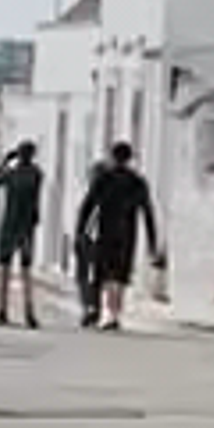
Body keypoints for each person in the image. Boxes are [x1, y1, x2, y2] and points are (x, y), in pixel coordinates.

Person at [74, 140, 163, 331]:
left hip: (106, 230)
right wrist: (152, 242)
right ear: (129, 158)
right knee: (119, 275)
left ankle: (100, 311)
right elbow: (148, 213)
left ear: (113, 157)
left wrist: (81, 230)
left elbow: (88, 205)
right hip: (127, 233)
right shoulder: (137, 182)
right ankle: (114, 314)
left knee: (103, 273)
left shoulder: (104, 178)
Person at [0, 133, 47, 324]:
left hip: (9, 224)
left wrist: (4, 163)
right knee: (26, 270)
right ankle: (29, 311)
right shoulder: (37, 174)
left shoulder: (11, 174)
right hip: (27, 226)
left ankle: (2, 310)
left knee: (4, 268)